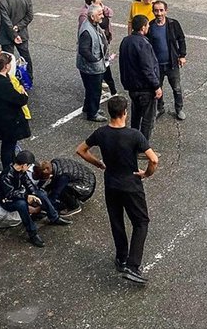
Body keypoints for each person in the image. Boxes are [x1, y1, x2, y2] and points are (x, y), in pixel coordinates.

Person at [77, 95, 158, 283]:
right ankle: (133, 265)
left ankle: (121, 258)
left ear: (109, 112)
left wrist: (98, 163)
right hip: (131, 185)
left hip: (111, 184)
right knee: (141, 222)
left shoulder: (101, 133)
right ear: (125, 113)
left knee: (117, 221)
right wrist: (146, 174)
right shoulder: (134, 135)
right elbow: (153, 159)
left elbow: (81, 150)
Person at [0, 150, 71, 248]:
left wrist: (33, 193)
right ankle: (32, 233)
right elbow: (10, 193)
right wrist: (26, 196)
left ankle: (54, 217)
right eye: (28, 166)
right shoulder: (6, 175)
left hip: (19, 193)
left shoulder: (20, 171)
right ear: (24, 165)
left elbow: (27, 182)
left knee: (41, 193)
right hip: (8, 200)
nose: (29, 168)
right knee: (22, 204)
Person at [120, 15, 162, 141]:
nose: (149, 27)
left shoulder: (126, 40)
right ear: (143, 27)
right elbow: (147, 68)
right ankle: (142, 148)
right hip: (145, 88)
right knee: (147, 120)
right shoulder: (143, 44)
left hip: (132, 86)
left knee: (135, 117)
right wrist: (156, 86)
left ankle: (132, 142)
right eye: (147, 25)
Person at [148, 0, 187, 120]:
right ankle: (160, 108)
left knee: (177, 88)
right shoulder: (151, 26)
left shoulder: (173, 23)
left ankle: (179, 109)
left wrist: (182, 55)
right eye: (156, 10)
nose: (159, 13)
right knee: (157, 89)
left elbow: (181, 39)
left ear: (166, 11)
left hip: (171, 63)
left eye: (161, 10)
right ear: (153, 11)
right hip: (157, 65)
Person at [0, 53, 30, 166]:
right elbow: (20, 100)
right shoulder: (3, 83)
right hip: (9, 120)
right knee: (8, 146)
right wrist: (23, 93)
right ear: (6, 66)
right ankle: (8, 168)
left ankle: (10, 164)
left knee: (8, 145)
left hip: (1, 116)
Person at [83, 0, 118, 96]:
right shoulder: (85, 15)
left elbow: (110, 13)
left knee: (105, 68)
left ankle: (105, 85)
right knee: (105, 70)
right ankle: (108, 90)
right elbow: (85, 42)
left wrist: (102, 8)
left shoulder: (99, 8)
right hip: (96, 50)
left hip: (104, 42)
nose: (101, 0)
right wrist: (96, 60)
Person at [78, 4, 109, 122]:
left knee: (90, 89)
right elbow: (83, 50)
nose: (102, 16)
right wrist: (95, 60)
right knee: (95, 90)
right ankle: (93, 113)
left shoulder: (92, 24)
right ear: (92, 16)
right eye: (99, 14)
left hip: (90, 66)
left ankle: (89, 107)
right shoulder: (87, 30)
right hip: (91, 67)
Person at [0, 0, 35, 75]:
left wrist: (14, 34)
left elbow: (6, 22)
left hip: (7, 35)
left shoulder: (3, 1)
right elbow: (30, 16)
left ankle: (10, 78)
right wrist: (18, 27)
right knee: (25, 56)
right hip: (22, 33)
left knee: (7, 59)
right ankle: (29, 77)